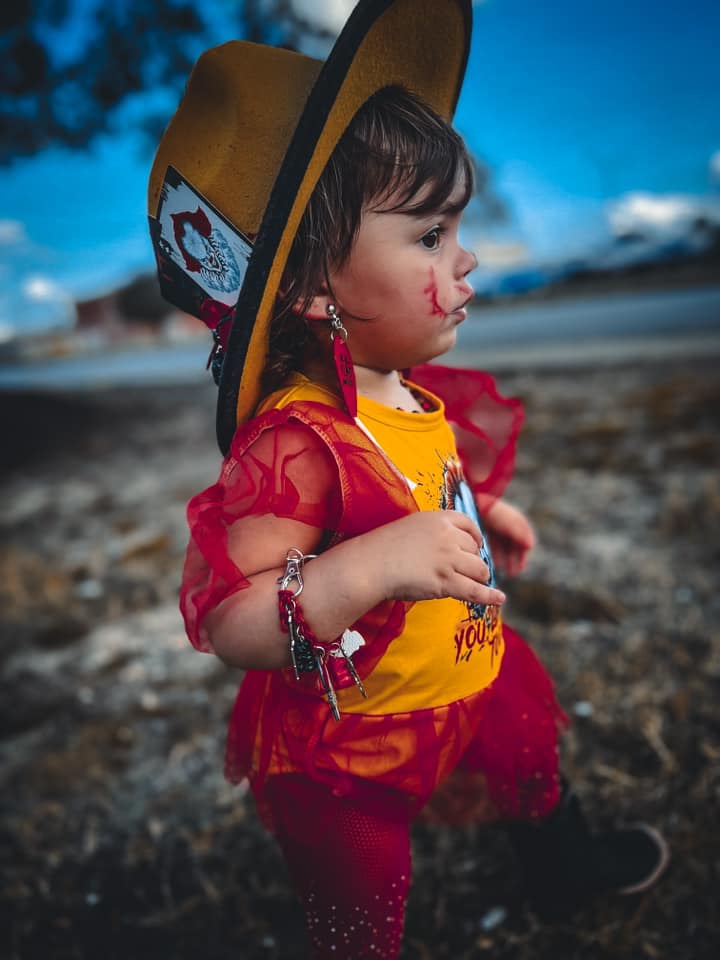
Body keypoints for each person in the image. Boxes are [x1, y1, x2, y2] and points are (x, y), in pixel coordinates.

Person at [148, 2, 668, 956]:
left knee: (530, 760)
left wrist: (482, 509)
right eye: (430, 236)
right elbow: (233, 620)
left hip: (467, 664)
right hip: (358, 733)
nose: (465, 259)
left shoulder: (398, 389)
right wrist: (373, 566)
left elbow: (423, 482)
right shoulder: (294, 443)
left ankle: (563, 869)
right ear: (314, 286)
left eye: (456, 229)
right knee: (361, 886)